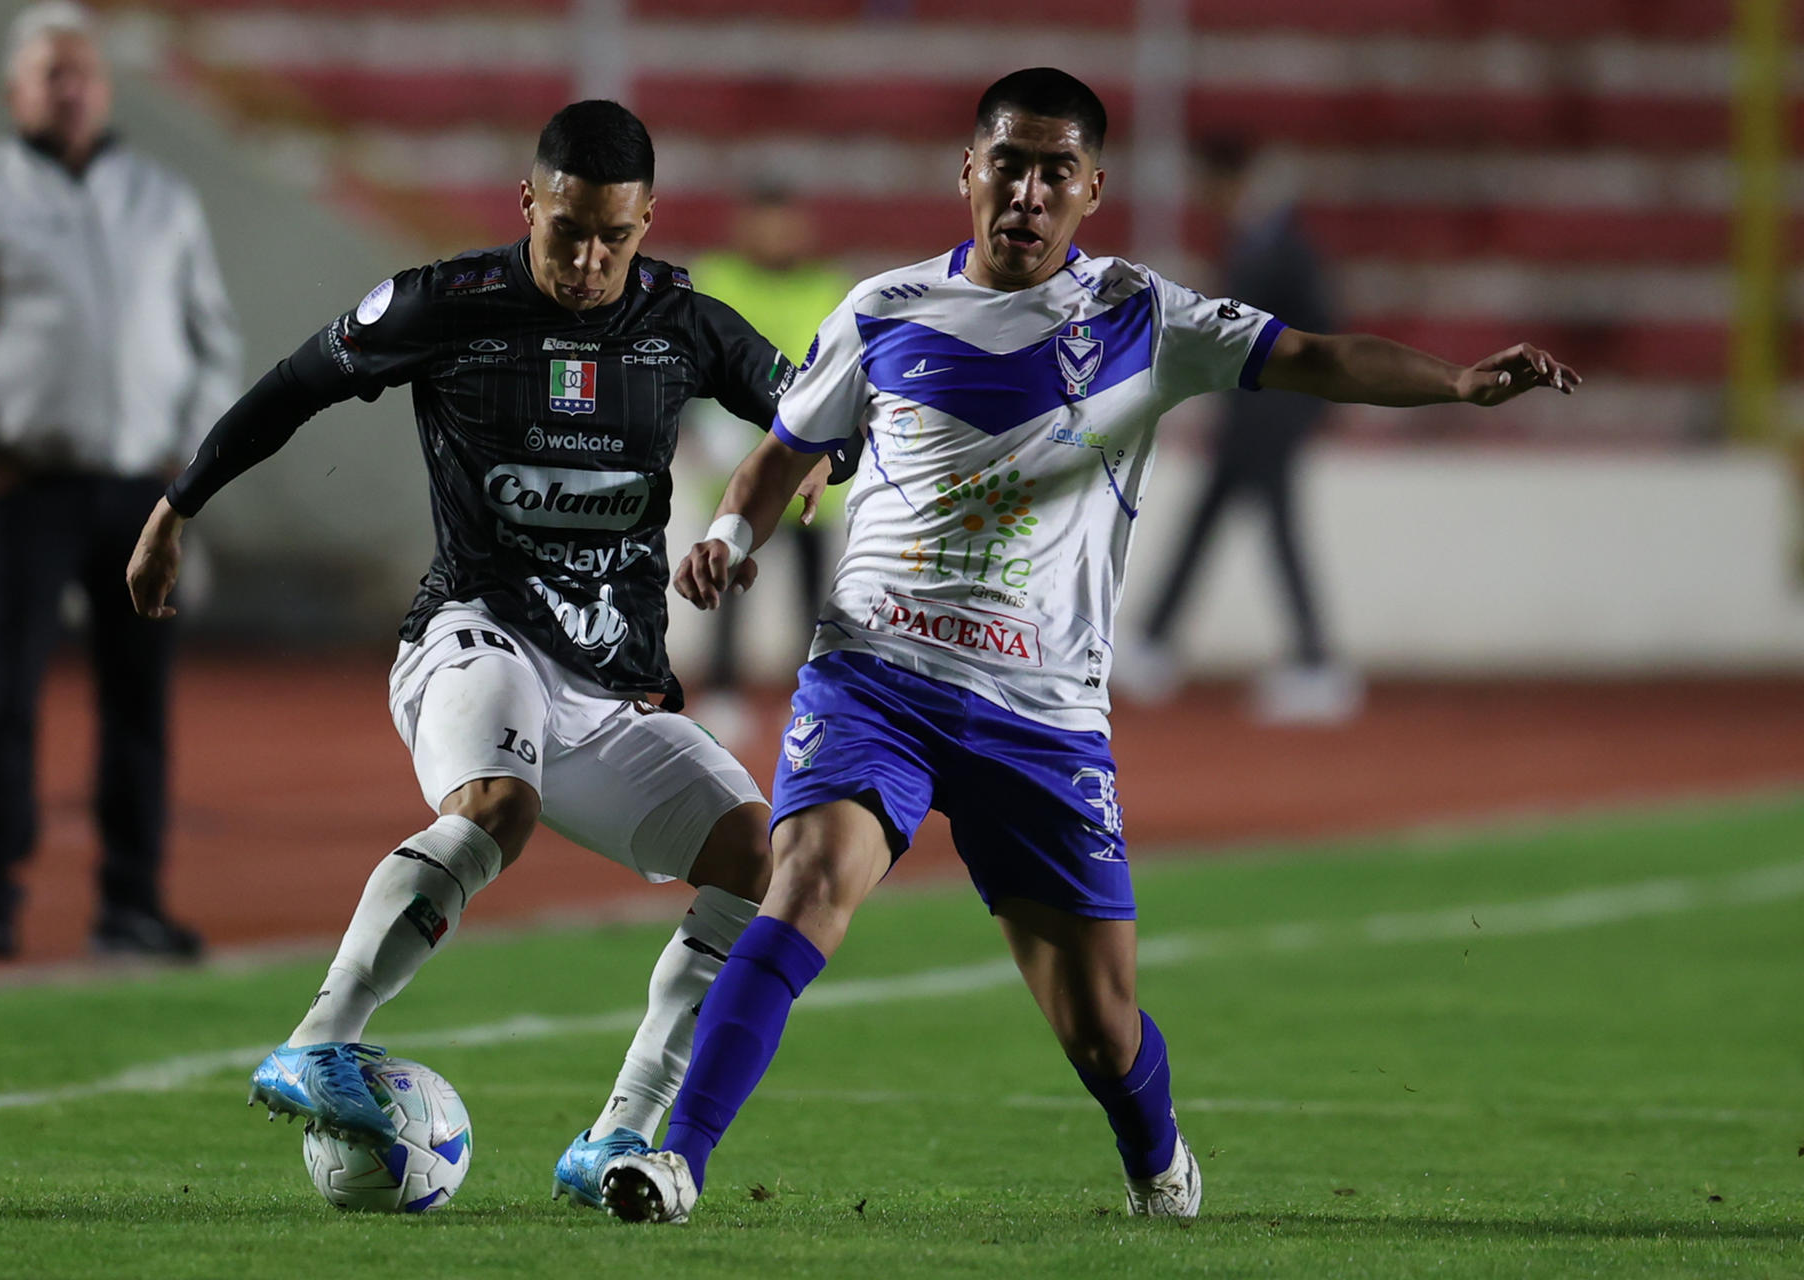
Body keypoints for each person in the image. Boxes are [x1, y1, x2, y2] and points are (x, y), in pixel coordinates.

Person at [598, 67, 1578, 1225]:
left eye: (1054, 169)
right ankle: (681, 1161)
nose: (1025, 189)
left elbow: (1312, 356)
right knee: (805, 881)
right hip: (876, 679)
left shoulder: (1141, 316)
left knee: (1101, 1025)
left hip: (1040, 712)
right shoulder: (882, 310)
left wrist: (1457, 383)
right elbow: (782, 448)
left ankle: (1159, 1156)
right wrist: (725, 530)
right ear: (966, 171)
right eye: (1006, 162)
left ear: (1093, 189)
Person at [124, 100, 856, 1204]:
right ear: (531, 203)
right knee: (497, 805)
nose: (590, 258)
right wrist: (178, 506)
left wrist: (810, 468)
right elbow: (294, 386)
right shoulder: (448, 304)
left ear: (648, 220)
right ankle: (320, 1038)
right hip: (474, 633)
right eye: (569, 231)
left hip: (611, 686)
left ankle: (617, 1132)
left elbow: (813, 412)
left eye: (616, 235)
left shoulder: (684, 323)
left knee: (761, 856)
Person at [0, 2, 242, 959]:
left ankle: (129, 900)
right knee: (3, 700)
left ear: (107, 85)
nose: (70, 86)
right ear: (14, 90)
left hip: (144, 496)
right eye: (50, 72)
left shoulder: (162, 196)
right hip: (26, 488)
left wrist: (190, 458)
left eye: (83, 70)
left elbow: (212, 338)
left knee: (139, 705)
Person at [1121, 136, 1356, 721]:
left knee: (1274, 531)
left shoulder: (1286, 248)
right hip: (1249, 413)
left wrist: (1299, 412)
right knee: (1211, 522)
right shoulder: (1251, 242)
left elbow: (1321, 336)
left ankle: (1317, 661)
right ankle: (1154, 642)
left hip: (1272, 416)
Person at [686, 186, 854, 747]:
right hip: (739, 476)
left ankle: (814, 697)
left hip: (811, 481)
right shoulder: (717, 280)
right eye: (767, 223)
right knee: (726, 581)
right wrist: (698, 424)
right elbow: (691, 361)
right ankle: (723, 690)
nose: (778, 236)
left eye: (787, 224)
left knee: (814, 599)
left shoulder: (829, 288)